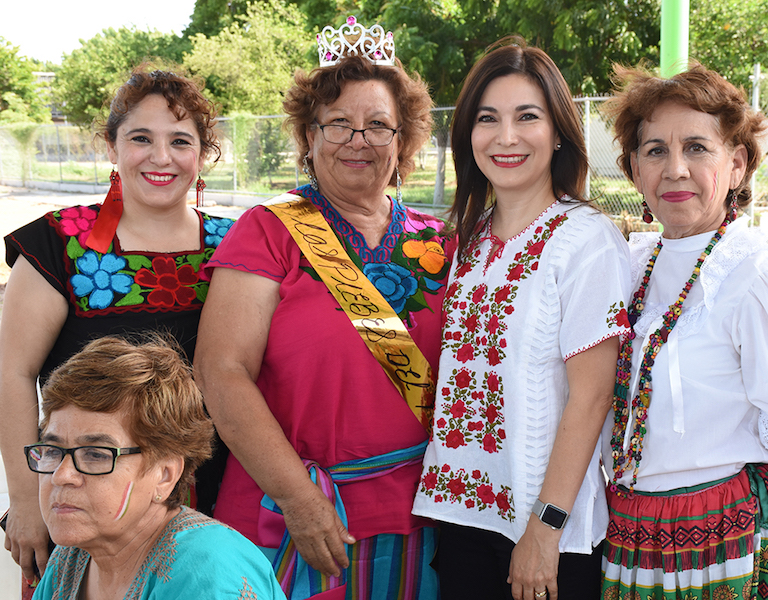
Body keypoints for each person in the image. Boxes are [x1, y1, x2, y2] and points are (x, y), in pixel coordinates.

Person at [193, 16, 451, 599]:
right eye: (338, 124)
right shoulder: (268, 232)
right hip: (289, 513)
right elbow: (221, 371)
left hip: (421, 517)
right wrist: (299, 499)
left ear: (403, 141)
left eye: (377, 126)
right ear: (309, 139)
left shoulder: (443, 243)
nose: (357, 140)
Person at [599, 62, 768, 600]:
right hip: (633, 546)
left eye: (697, 148)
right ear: (632, 169)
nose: (675, 169)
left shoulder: (761, 273)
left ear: (738, 163)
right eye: (655, 151)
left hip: (733, 549)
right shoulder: (628, 264)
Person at [410, 38, 630, 600]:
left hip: (543, 535)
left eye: (526, 117)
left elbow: (591, 397)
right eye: (488, 119)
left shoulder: (585, 239)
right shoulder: (470, 238)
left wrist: (544, 528)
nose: (506, 137)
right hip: (460, 518)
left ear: (557, 131)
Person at [0, 65, 233, 594]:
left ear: (203, 153)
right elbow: (12, 372)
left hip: (212, 497)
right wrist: (26, 499)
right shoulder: (58, 244)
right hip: (84, 495)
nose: (161, 157)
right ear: (110, 146)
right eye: (140, 138)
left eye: (180, 141)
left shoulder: (235, 248)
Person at [26, 335, 284, 599]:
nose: (61, 475)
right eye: (52, 451)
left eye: (95, 454)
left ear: (165, 475)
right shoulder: (71, 558)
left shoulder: (208, 573)